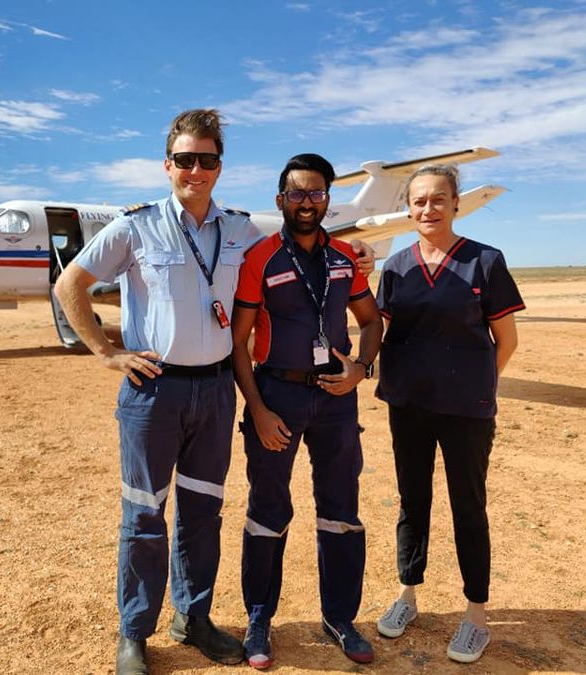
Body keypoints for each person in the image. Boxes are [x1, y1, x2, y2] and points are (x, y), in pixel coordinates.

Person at [55, 110, 375, 674]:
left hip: (216, 390)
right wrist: (107, 352)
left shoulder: (239, 229)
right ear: (168, 164)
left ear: (219, 167)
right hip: (153, 391)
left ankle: (194, 617)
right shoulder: (136, 226)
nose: (195, 170)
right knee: (144, 514)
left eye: (206, 160)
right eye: (185, 159)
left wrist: (360, 254)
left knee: (203, 512)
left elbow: (298, 243)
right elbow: (70, 284)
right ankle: (134, 631)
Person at [231, 153, 383, 669]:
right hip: (279, 396)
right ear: (280, 200)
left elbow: (371, 320)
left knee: (341, 508)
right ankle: (258, 618)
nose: (306, 202)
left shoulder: (345, 256)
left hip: (337, 399)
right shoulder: (261, 260)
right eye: (296, 193)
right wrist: (258, 408)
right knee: (267, 509)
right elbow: (239, 341)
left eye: (316, 193)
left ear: (327, 200)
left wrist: (361, 367)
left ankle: (340, 617)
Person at [373, 164, 524, 664]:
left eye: (438, 199)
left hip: (467, 412)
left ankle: (476, 613)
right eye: (418, 201)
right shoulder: (396, 267)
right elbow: (381, 330)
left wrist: (475, 385)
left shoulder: (485, 261)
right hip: (409, 406)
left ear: (456, 203)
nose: (427, 209)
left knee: (468, 506)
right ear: (408, 207)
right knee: (412, 502)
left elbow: (506, 340)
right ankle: (408, 594)